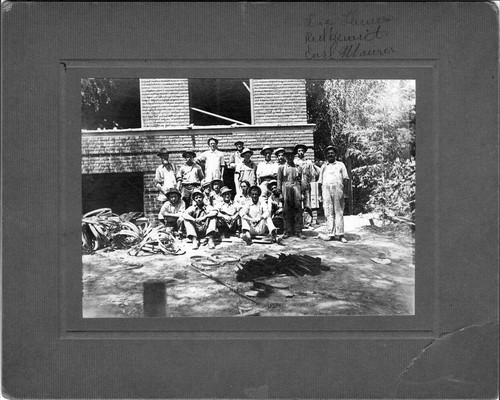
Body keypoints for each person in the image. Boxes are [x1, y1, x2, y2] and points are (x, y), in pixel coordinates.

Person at [318, 145, 350, 243]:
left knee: (339, 212)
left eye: (332, 153)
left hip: (338, 190)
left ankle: (340, 235)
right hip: (326, 190)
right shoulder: (324, 166)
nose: (330, 155)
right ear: (326, 155)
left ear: (335, 154)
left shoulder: (340, 165)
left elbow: (346, 179)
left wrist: (346, 193)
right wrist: (319, 195)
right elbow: (320, 182)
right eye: (328, 153)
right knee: (328, 212)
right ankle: (330, 234)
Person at [277, 147, 305, 239]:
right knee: (286, 210)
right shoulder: (281, 168)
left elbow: (302, 181)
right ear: (285, 157)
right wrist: (280, 193)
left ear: (293, 156)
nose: (289, 157)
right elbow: (279, 180)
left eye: (291, 156)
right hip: (286, 187)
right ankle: (287, 231)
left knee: (298, 209)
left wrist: (302, 192)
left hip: (296, 187)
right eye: (287, 156)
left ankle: (298, 231)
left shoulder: (298, 168)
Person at [294, 144, 319, 227]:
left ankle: (307, 222)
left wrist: (312, 184)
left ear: (304, 152)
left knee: (307, 204)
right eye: (299, 151)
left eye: (302, 151)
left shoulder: (308, 162)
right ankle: (299, 223)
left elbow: (313, 175)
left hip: (306, 185)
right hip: (297, 185)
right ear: (297, 153)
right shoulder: (295, 162)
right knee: (297, 204)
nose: (300, 152)